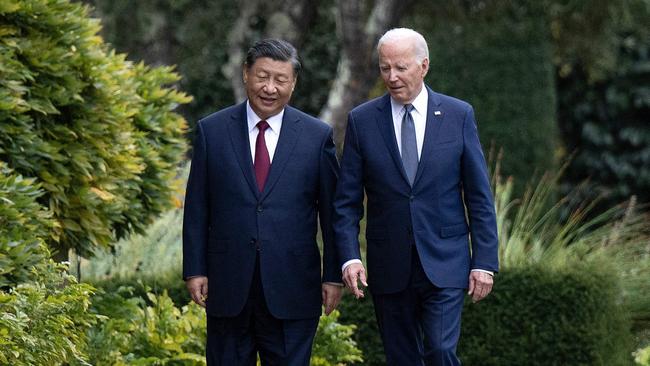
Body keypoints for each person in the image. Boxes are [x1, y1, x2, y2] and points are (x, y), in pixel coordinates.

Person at [334, 28, 499, 365]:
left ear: (424, 65)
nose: (392, 77)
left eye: (401, 68)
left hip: (445, 259)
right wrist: (350, 257)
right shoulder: (362, 121)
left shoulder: (458, 115)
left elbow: (479, 196)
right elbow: (346, 203)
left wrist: (484, 261)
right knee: (401, 357)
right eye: (385, 68)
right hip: (389, 262)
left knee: (440, 349)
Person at [183, 39, 342, 366]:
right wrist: (195, 269)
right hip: (228, 288)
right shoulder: (212, 131)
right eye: (262, 76)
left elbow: (332, 213)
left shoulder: (316, 136)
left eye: (280, 80)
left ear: (293, 83)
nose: (270, 88)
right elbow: (198, 207)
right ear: (245, 74)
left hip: (294, 287)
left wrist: (333, 275)